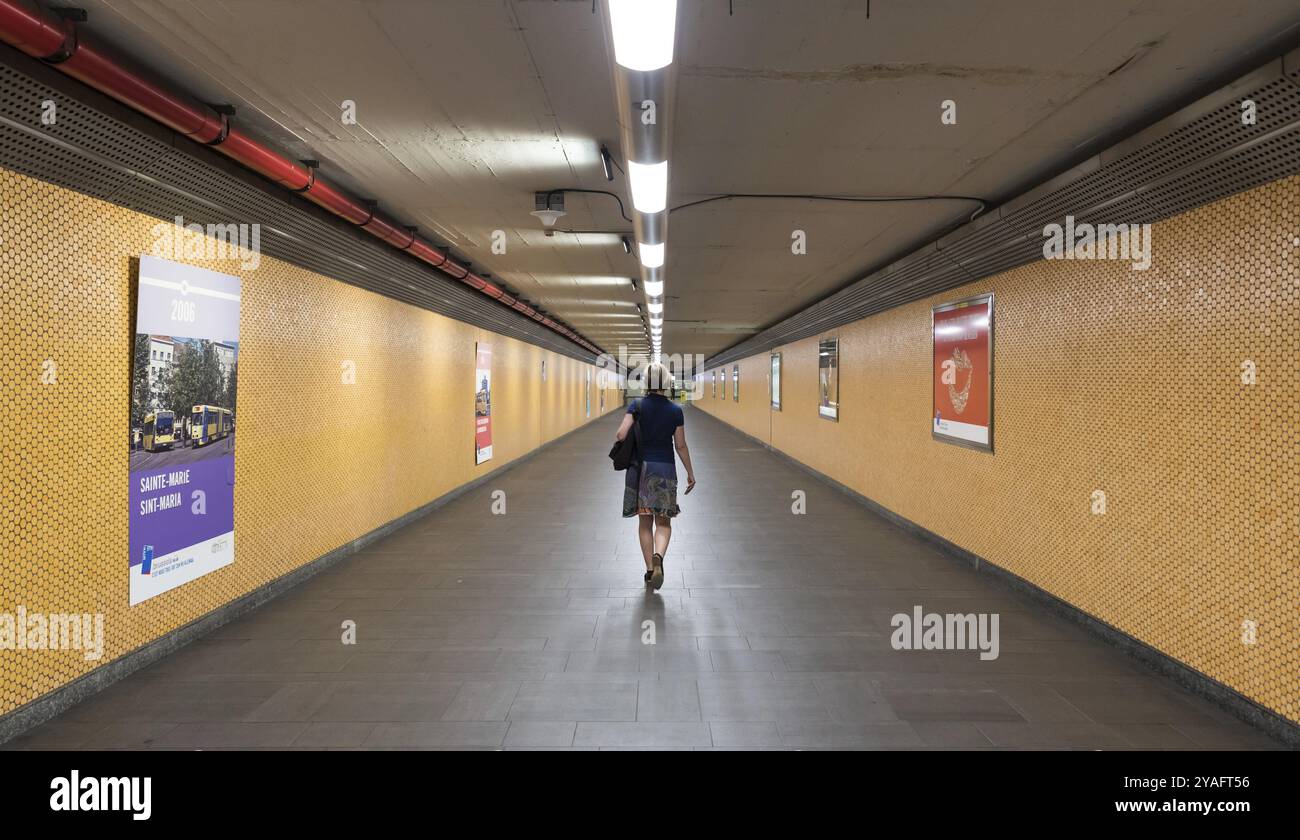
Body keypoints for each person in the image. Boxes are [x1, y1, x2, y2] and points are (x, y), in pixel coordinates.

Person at [613, 362, 696, 590]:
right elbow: (680, 446)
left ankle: (650, 570)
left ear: (646, 382)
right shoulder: (675, 410)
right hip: (665, 469)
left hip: (640, 470)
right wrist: (690, 472)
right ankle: (659, 555)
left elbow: (621, 435)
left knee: (644, 522)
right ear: (667, 382)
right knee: (664, 521)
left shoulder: (636, 405)